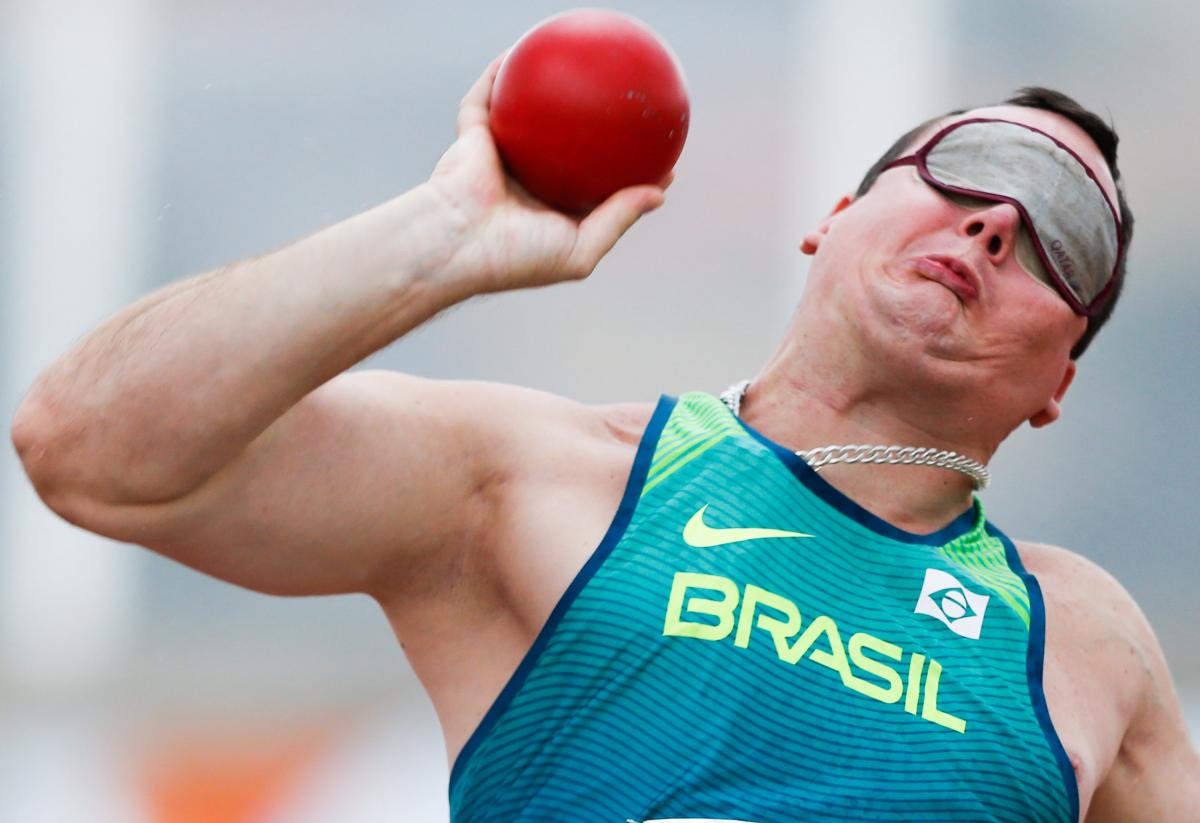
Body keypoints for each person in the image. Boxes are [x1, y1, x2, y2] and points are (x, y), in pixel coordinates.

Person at [11, 55, 1199, 821]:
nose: (999, 221)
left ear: (1060, 381)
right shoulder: (544, 478)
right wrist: (442, 234)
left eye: (1065, 242)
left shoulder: (1082, 642)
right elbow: (87, 447)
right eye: (976, 170)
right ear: (830, 222)